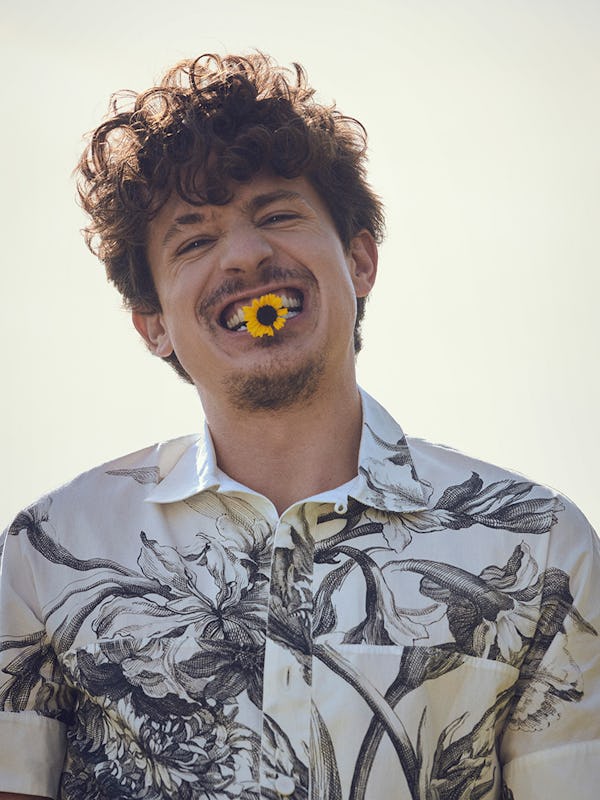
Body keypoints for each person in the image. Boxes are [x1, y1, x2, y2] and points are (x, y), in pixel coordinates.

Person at [0, 52, 598, 800]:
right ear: (152, 325)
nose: (246, 255)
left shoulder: (540, 545)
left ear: (361, 261)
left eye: (278, 215)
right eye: (193, 240)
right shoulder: (45, 556)